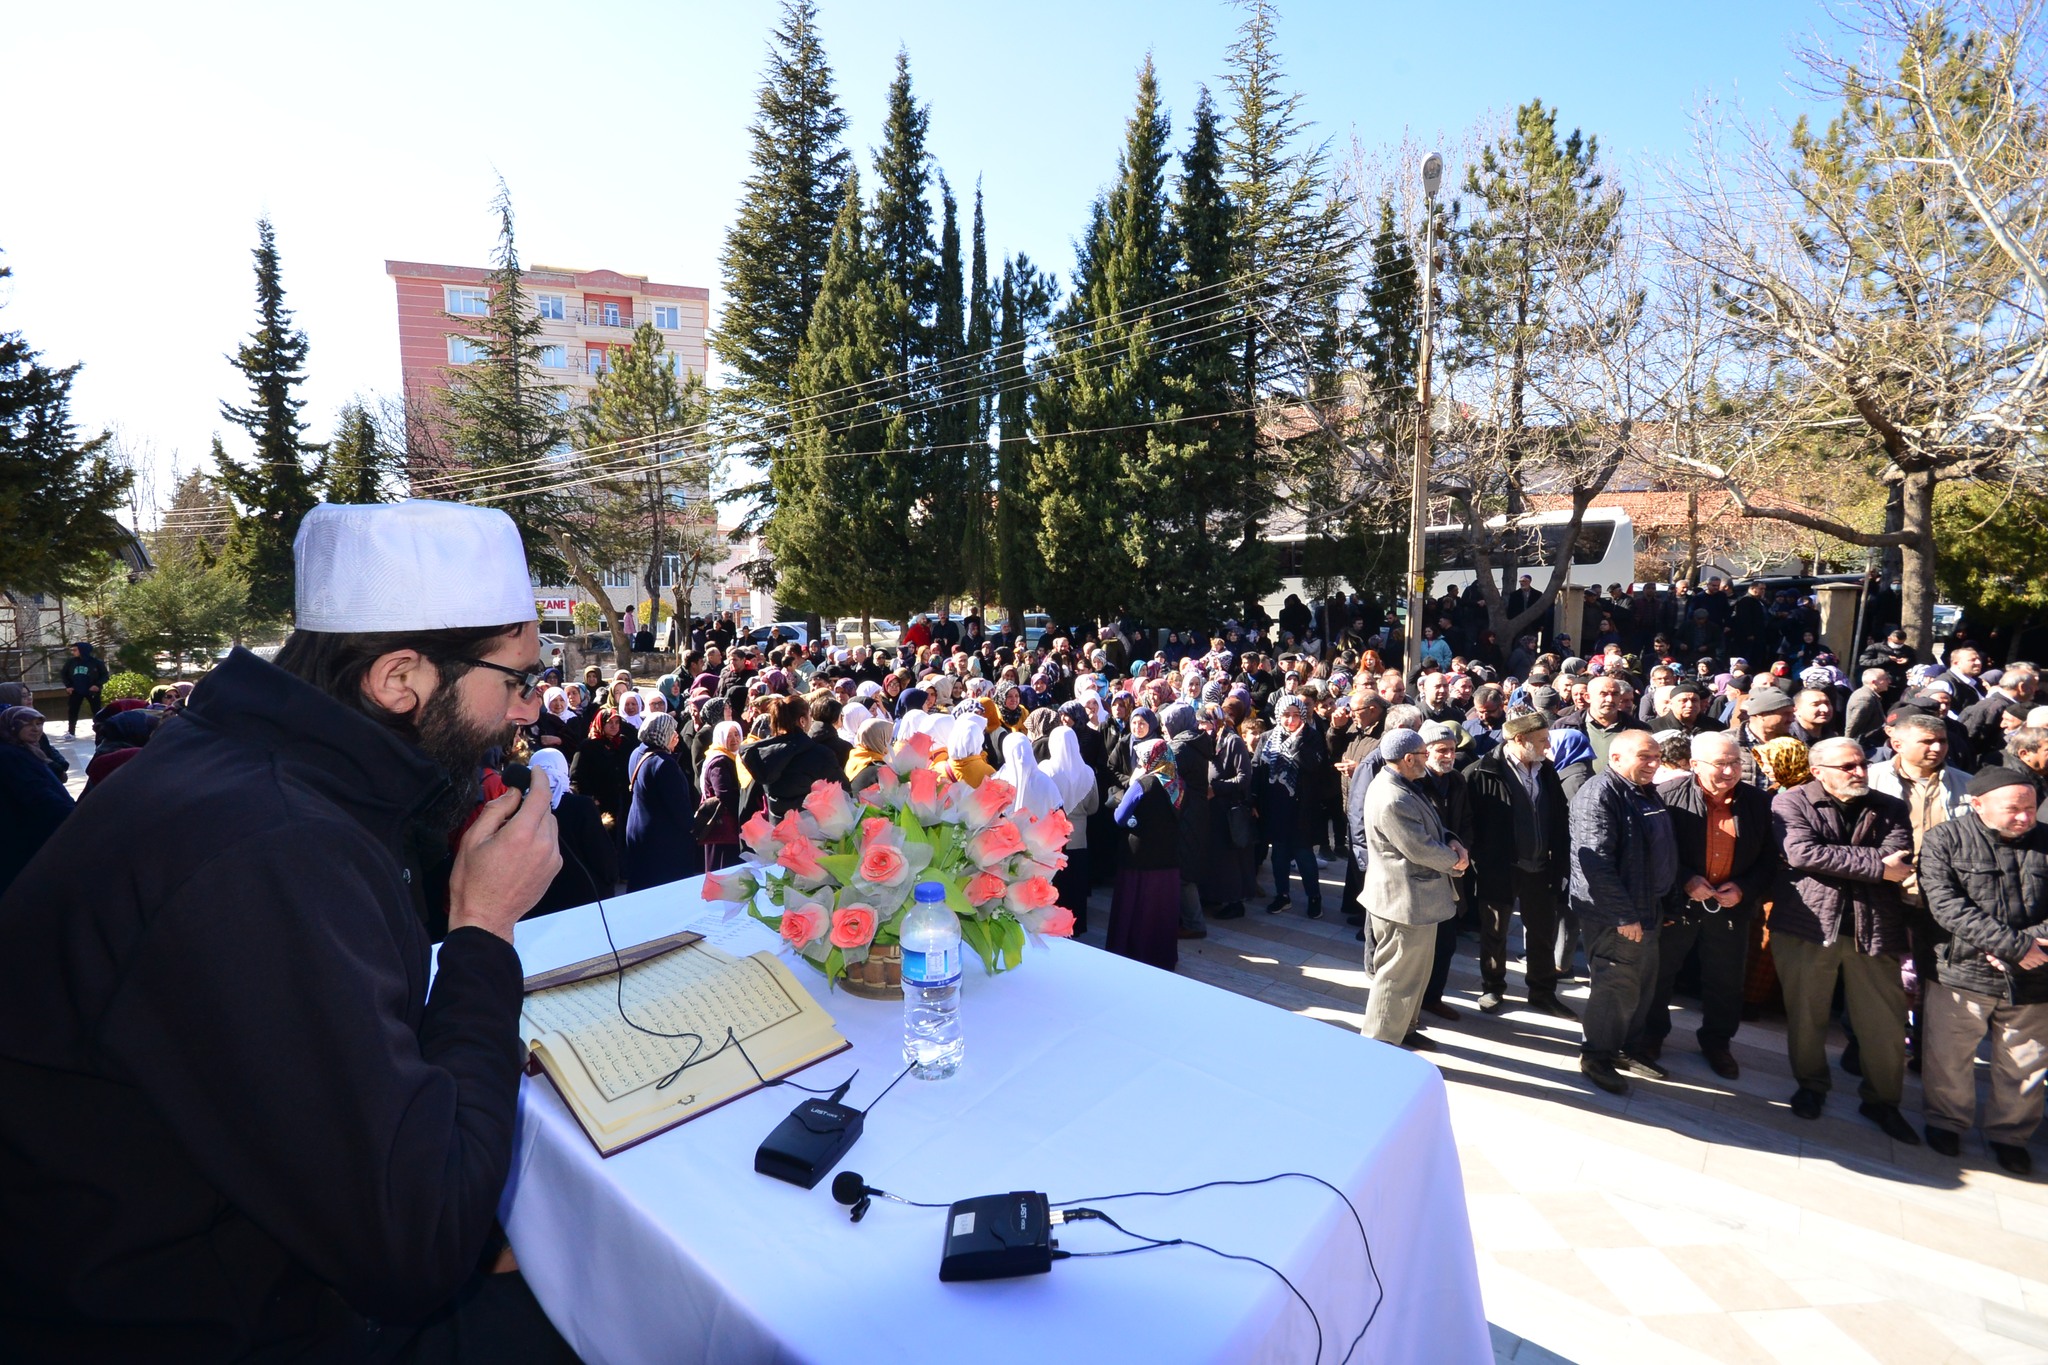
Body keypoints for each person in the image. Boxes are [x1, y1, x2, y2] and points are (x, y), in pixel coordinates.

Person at [0, 500, 579, 1361]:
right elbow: (419, 1249)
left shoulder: (270, 768)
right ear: (399, 679)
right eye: (517, 680)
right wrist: (483, 929)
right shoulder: (272, 846)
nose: (527, 712)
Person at [1771, 737, 1919, 1140]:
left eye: (1861, 764)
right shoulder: (1791, 802)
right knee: (1806, 1015)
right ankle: (1811, 1086)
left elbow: (1900, 859)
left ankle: (1883, 1101)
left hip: (1874, 928)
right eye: (1847, 767)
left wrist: (1846, 860)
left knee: (1884, 1024)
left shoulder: (1889, 806)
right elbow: (1803, 854)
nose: (1859, 772)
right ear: (1818, 772)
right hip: (1810, 926)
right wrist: (1875, 866)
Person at [1917, 767, 2048, 1174]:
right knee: (1949, 1057)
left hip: (2036, 974)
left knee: (2025, 1063)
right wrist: (2011, 946)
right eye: (2014, 809)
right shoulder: (1945, 839)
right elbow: (1946, 906)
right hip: (1963, 970)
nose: (2025, 817)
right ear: (1977, 805)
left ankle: (2010, 1136)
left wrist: (2030, 945)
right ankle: (1947, 1122)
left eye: (2031, 807)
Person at [1635, 731, 1779, 1079]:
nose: (1730, 772)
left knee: (1726, 979)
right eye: (1721, 764)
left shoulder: (1758, 803)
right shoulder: (1667, 798)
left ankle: (1717, 1042)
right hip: (1677, 906)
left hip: (1730, 908)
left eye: (1735, 764)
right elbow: (1651, 852)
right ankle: (1651, 1035)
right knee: (1661, 973)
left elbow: (1769, 860)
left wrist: (1743, 888)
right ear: (1694, 765)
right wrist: (1685, 878)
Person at [1569, 730, 1679, 1096]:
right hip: (1617, 915)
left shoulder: (1644, 791)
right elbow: (1595, 862)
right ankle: (1597, 1055)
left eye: (1657, 757)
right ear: (1615, 758)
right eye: (1644, 757)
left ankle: (1625, 1047)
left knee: (1641, 983)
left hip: (1648, 907)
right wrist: (1623, 915)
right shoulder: (1600, 794)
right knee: (1615, 985)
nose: (1653, 764)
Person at [1356, 730, 1467, 1049]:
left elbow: (1431, 825)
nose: (1429, 759)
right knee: (1396, 978)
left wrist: (1452, 840)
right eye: (1423, 754)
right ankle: (1378, 1045)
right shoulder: (1392, 796)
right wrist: (1455, 862)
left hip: (1419, 901)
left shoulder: (1404, 785)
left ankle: (1404, 1028)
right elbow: (1418, 846)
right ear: (1408, 759)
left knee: (1415, 974)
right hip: (1403, 903)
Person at [1466, 711, 1573, 1017]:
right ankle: (1493, 987)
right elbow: (1469, 823)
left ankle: (1542, 992)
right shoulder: (1482, 772)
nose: (1548, 745)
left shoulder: (1547, 771)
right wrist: (1481, 860)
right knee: (1495, 931)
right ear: (1519, 740)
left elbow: (1558, 818)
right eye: (1542, 740)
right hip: (1500, 869)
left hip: (1542, 867)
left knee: (1542, 933)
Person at [1107, 737, 1185, 971]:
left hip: (1138, 855)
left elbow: (1119, 817)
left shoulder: (1143, 784)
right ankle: (1160, 954)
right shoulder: (1178, 784)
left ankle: (1131, 952)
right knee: (1160, 909)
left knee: (1135, 907)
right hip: (1168, 855)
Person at [1253, 695, 1328, 918]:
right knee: (1278, 855)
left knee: (1304, 855)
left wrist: (1296, 742)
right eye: (1286, 715)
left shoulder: (1312, 737)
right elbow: (1258, 768)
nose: (1291, 720)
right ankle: (1282, 895)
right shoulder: (1268, 737)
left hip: (1301, 808)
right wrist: (1254, 800)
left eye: (1296, 715)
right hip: (1275, 807)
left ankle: (1314, 897)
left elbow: (1314, 766)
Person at [524, 747, 615, 915]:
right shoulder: (581, 806)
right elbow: (601, 854)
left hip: (538, 901)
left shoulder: (521, 807)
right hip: (582, 898)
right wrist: (610, 878)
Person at [0, 704, 74, 895]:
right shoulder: (10, 755)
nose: (36, 729)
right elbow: (35, 793)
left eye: (39, 724)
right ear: (12, 727)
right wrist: (70, 816)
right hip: (26, 833)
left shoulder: (27, 749)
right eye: (28, 724)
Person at [624, 712, 702, 891]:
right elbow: (678, 806)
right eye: (672, 731)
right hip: (663, 840)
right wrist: (693, 826)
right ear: (662, 733)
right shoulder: (664, 764)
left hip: (639, 831)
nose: (676, 735)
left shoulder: (637, 752)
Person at [741, 694, 847, 818]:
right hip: (812, 830)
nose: (812, 721)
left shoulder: (763, 754)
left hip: (778, 829)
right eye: (810, 717)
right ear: (802, 721)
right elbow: (843, 790)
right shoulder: (819, 754)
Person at [1043, 724, 1100, 934]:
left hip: (1053, 839)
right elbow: (1094, 807)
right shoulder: (1087, 771)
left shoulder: (1046, 769)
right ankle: (1077, 925)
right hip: (1079, 839)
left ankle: (1056, 927)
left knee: (1057, 886)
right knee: (1076, 886)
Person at [60, 641, 109, 736]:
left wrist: (97, 685)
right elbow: (63, 674)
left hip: (92, 691)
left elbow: (105, 676)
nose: (73, 652)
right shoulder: (71, 662)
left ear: (82, 650)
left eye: (75, 650)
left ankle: (101, 732)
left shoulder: (96, 663)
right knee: (73, 711)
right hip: (76, 691)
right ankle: (71, 732)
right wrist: (68, 686)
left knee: (97, 712)